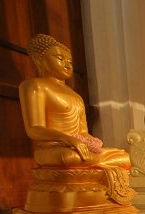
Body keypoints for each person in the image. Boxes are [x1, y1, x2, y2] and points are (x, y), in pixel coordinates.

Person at [20, 34, 130, 169]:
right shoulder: (35, 85)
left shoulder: (76, 96)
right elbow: (34, 129)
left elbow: (82, 132)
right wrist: (68, 139)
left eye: (70, 61)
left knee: (126, 157)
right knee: (70, 158)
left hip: (78, 147)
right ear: (39, 59)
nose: (67, 65)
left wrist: (92, 144)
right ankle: (95, 164)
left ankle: (94, 163)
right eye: (60, 58)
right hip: (53, 149)